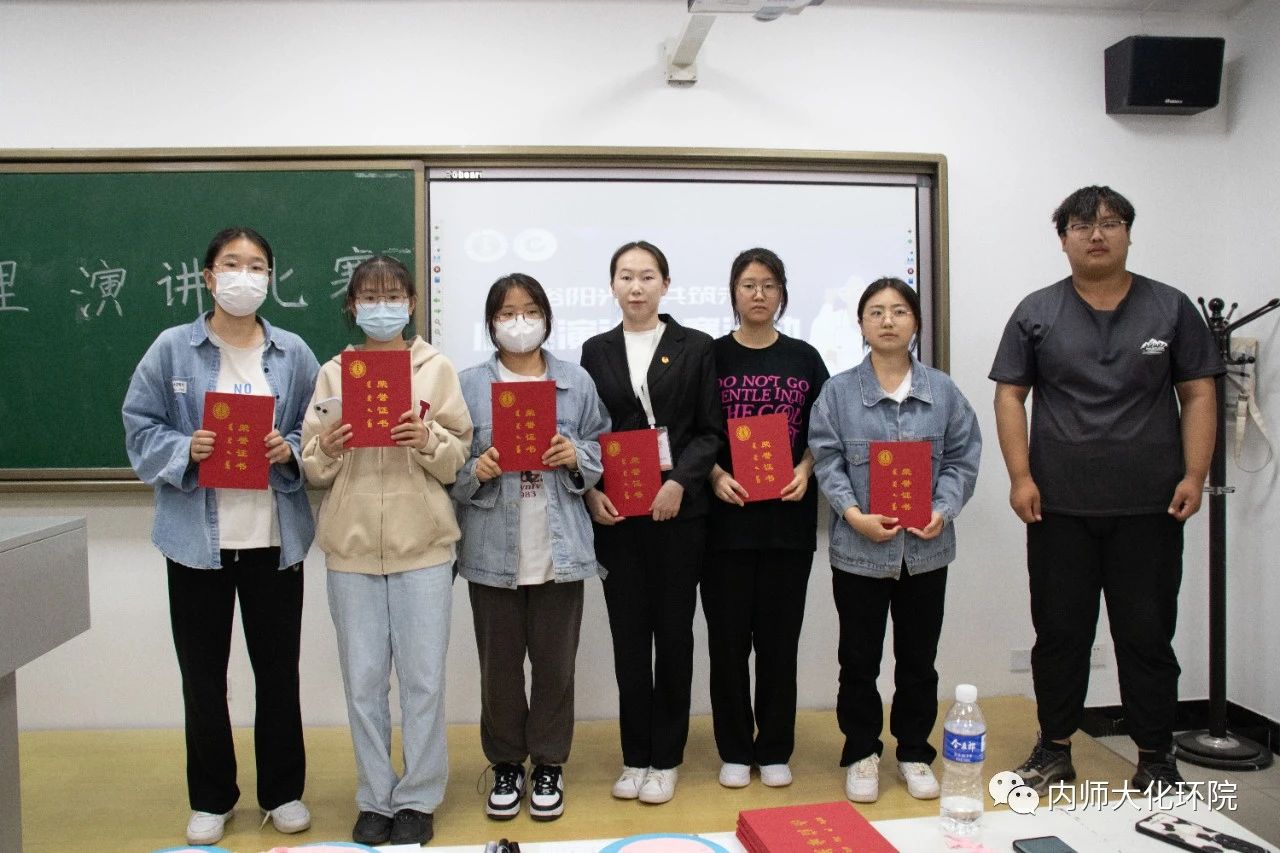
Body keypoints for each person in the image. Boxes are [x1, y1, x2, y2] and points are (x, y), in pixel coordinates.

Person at [990, 186, 1222, 795]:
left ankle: (1156, 758)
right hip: (1058, 506)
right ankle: (1054, 748)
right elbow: (1010, 394)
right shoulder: (1037, 310)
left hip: (1151, 505)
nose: (1097, 235)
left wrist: (1195, 474)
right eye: (1082, 226)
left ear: (1128, 233)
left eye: (1111, 223)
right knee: (1060, 636)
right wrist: (1020, 477)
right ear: (1062, 238)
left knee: (1147, 636)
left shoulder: (1170, 308)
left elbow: (1198, 392)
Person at [122, 226, 318, 846]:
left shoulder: (294, 352)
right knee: (203, 678)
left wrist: (288, 449)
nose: (244, 276)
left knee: (278, 674)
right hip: (195, 543)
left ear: (269, 279)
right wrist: (186, 447)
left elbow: (318, 433)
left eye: (256, 266)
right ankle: (211, 798)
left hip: (274, 540)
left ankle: (282, 792)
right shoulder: (172, 349)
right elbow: (139, 426)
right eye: (231, 264)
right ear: (208, 276)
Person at [301, 255, 472, 846]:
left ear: (412, 303)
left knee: (424, 681)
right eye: (370, 297)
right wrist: (329, 447)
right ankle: (375, 797)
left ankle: (418, 798)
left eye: (393, 295)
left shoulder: (436, 368)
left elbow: (457, 459)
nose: (382, 306)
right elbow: (311, 466)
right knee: (364, 682)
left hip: (423, 546)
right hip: (350, 550)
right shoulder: (333, 373)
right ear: (353, 307)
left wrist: (426, 438)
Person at [808, 277, 981, 804]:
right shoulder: (838, 392)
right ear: (861, 324)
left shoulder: (943, 391)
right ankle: (861, 751)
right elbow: (826, 459)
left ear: (916, 322)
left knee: (918, 661)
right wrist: (852, 514)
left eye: (899, 311)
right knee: (858, 661)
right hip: (859, 552)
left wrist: (942, 510)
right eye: (876, 312)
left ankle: (913, 751)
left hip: (926, 551)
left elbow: (962, 458)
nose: (888, 320)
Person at [453, 273, 609, 822]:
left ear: (546, 317)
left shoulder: (575, 381)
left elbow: (601, 448)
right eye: (506, 313)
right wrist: (477, 470)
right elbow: (447, 467)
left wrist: (576, 457)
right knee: (498, 668)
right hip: (491, 550)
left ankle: (548, 763)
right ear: (491, 323)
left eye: (529, 311)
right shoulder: (467, 385)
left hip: (560, 548)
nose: (519, 322)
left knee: (554, 666)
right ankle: (505, 764)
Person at [579, 240, 724, 805]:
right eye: (625, 276)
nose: (636, 287)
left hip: (678, 512)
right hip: (618, 513)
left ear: (665, 284)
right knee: (629, 638)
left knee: (674, 634)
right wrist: (592, 492)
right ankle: (634, 755)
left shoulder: (697, 347)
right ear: (612, 285)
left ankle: (666, 758)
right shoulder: (595, 351)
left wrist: (680, 482)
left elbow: (710, 431)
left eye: (646, 276)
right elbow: (587, 431)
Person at [703, 248, 829, 789]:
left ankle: (775, 747)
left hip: (786, 525)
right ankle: (734, 748)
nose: (759, 294)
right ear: (733, 292)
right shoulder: (710, 356)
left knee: (779, 645)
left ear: (782, 294)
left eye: (769, 285)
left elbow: (826, 430)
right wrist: (713, 474)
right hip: (723, 527)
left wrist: (806, 467)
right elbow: (691, 430)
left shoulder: (805, 358)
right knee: (728, 645)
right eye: (749, 284)